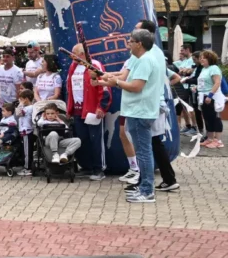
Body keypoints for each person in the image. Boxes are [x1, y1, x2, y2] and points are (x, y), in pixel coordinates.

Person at [104, 29, 163, 203]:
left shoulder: (145, 60)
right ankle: (145, 187)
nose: (128, 43)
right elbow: (126, 79)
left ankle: (147, 191)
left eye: (130, 41)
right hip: (138, 111)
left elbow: (136, 86)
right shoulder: (140, 59)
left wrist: (116, 81)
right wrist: (110, 79)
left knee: (143, 153)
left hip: (140, 111)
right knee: (143, 152)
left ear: (139, 44)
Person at [66, 43, 110, 181]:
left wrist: (101, 107)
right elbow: (70, 88)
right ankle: (86, 166)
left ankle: (99, 169)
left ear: (82, 54)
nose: (71, 55)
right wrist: (69, 108)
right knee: (81, 139)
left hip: (92, 109)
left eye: (74, 53)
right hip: (78, 109)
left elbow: (104, 88)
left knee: (95, 140)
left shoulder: (94, 65)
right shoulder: (73, 67)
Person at [195, 50, 224, 148]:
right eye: (200, 58)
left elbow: (217, 82)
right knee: (207, 118)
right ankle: (210, 138)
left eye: (204, 58)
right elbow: (204, 83)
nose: (201, 59)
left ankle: (218, 141)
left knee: (215, 118)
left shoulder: (214, 68)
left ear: (210, 59)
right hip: (203, 96)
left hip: (212, 97)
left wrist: (210, 95)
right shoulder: (204, 69)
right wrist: (196, 88)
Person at [17, 90, 36, 176]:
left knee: (27, 151)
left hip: (27, 131)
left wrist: (20, 104)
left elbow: (18, 113)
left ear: (26, 99)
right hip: (24, 131)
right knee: (25, 150)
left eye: (21, 99)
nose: (20, 101)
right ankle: (26, 166)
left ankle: (28, 168)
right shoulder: (26, 108)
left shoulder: (29, 108)